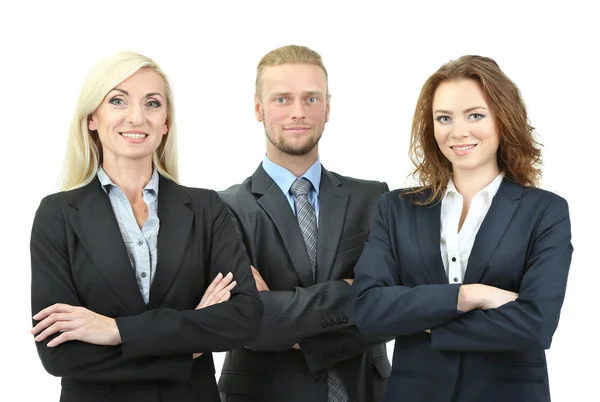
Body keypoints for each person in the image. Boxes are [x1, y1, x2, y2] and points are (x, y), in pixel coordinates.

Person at [29, 51, 263, 402]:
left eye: (152, 103)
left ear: (166, 121)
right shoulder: (57, 214)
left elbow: (245, 318)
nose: (136, 117)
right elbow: (60, 354)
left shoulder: (206, 208)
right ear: (92, 118)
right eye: (118, 100)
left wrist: (114, 330)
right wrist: (189, 345)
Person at [351, 55, 573, 402]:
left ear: (503, 118)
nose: (458, 131)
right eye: (444, 118)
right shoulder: (396, 208)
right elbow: (367, 310)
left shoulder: (545, 211)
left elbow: (537, 324)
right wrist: (470, 296)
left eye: (475, 115)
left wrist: (420, 320)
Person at [217, 45, 391, 402]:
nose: (298, 112)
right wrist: (353, 290)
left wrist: (280, 312)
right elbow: (245, 322)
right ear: (257, 108)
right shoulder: (222, 209)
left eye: (311, 99)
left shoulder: (373, 198)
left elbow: (391, 309)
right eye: (282, 99)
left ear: (328, 107)